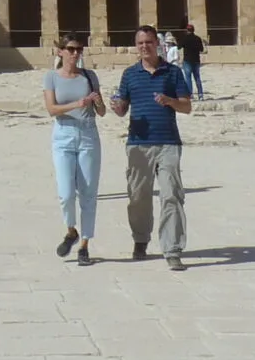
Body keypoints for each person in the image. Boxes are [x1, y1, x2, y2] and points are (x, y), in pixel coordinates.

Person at [109, 24, 191, 270]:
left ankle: (172, 248)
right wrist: (117, 107)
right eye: (140, 43)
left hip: (168, 142)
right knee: (138, 197)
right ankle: (140, 239)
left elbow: (186, 106)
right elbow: (123, 108)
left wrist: (169, 101)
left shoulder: (173, 72)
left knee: (171, 195)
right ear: (136, 46)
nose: (144, 46)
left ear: (158, 44)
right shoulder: (130, 74)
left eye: (149, 42)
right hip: (138, 143)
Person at [43, 36, 105, 266]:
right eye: (70, 49)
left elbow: (102, 112)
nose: (75, 53)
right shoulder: (51, 77)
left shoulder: (89, 76)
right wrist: (77, 104)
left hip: (88, 134)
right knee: (66, 193)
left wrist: (97, 102)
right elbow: (51, 109)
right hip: (63, 134)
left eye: (79, 49)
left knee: (88, 193)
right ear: (60, 51)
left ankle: (84, 245)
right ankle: (71, 230)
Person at [176, 22, 207, 100]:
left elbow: (179, 47)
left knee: (188, 78)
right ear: (193, 30)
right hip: (196, 60)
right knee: (197, 78)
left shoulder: (185, 38)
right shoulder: (198, 38)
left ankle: (190, 95)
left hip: (187, 60)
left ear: (187, 30)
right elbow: (201, 49)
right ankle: (200, 95)